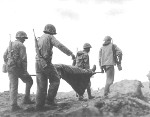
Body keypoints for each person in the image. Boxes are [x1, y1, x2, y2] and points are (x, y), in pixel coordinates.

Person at [35, 24, 75, 110]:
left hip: (37, 63)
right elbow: (59, 45)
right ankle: (49, 101)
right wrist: (70, 53)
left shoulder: (40, 38)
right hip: (46, 63)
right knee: (55, 80)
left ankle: (39, 105)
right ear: (52, 31)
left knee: (41, 84)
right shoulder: (50, 37)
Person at [3, 31, 34, 111]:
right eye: (23, 38)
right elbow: (24, 59)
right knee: (29, 80)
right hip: (18, 68)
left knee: (13, 86)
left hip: (10, 67)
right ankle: (26, 99)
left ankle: (13, 105)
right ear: (20, 37)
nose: (24, 40)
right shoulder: (21, 46)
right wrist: (25, 71)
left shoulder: (11, 44)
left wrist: (8, 62)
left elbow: (4, 55)